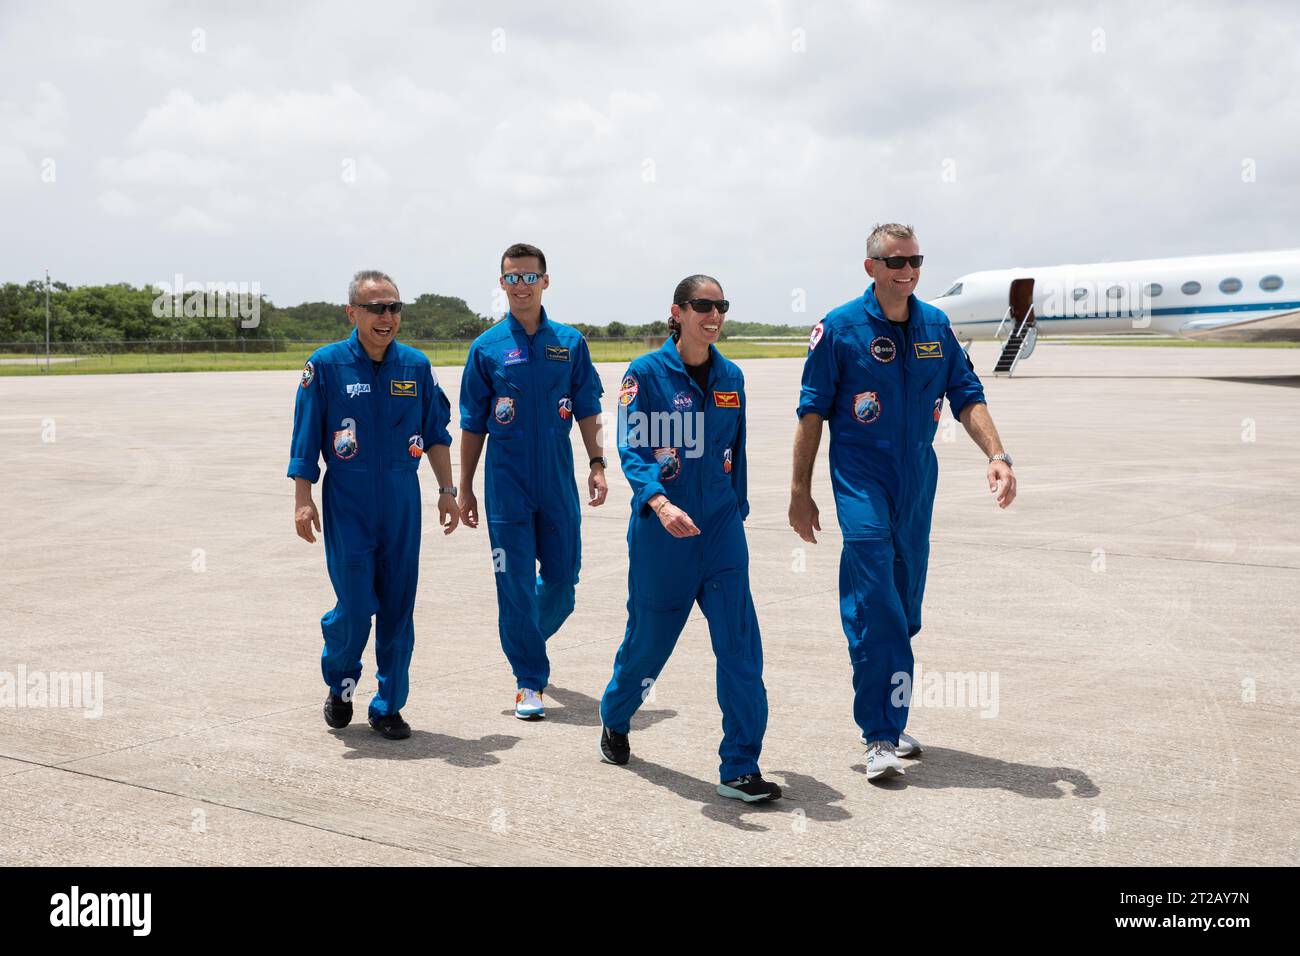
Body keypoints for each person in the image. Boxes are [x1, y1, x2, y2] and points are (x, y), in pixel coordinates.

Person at [790, 223, 1017, 781]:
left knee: (904, 607)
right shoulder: (839, 329)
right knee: (876, 602)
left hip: (917, 478)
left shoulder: (937, 326)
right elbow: (812, 413)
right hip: (861, 477)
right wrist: (800, 491)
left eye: (915, 259)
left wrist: (998, 455)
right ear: (871, 267)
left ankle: (888, 708)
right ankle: (880, 735)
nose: (908, 270)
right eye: (895, 262)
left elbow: (967, 396)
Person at [598, 274, 780, 803]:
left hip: (721, 532)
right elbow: (632, 448)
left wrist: (738, 508)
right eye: (703, 305)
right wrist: (657, 501)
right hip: (664, 533)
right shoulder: (647, 374)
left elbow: (735, 452)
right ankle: (615, 715)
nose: (714, 314)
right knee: (648, 645)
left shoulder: (732, 377)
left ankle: (740, 767)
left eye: (721, 305)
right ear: (677, 312)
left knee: (741, 648)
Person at [288, 269, 460, 740]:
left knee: (398, 608)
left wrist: (448, 491)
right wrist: (303, 501)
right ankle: (341, 684)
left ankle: (387, 706)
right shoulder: (325, 366)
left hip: (402, 500)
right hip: (348, 500)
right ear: (352, 312)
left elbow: (436, 435)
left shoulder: (416, 367)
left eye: (394, 308)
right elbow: (305, 440)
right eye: (376, 308)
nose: (387, 317)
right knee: (356, 603)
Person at [458, 243, 607, 719]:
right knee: (515, 583)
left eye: (529, 276)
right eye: (512, 277)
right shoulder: (486, 349)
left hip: (557, 481)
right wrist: (464, 487)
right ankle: (528, 681)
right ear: (501, 284)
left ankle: (524, 636)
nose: (521, 285)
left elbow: (588, 408)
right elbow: (471, 424)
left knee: (564, 582)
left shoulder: (570, 342)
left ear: (546, 281)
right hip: (507, 484)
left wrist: (598, 463)